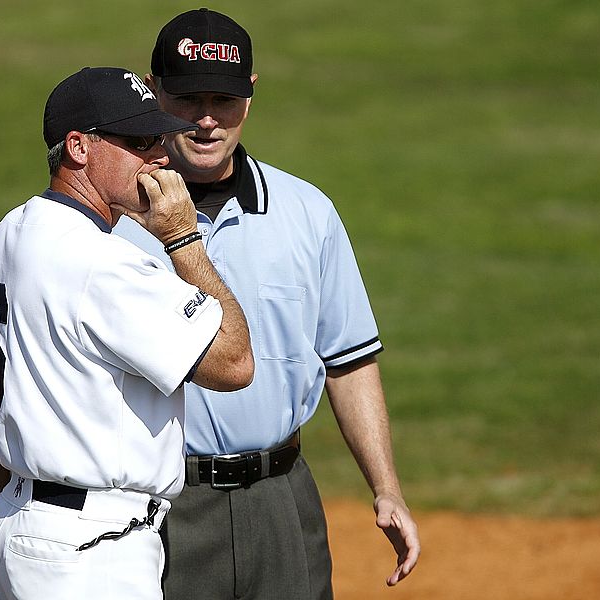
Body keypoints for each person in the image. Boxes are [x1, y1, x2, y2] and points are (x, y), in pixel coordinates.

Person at [113, 9, 420, 598]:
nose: (206, 121)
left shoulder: (307, 212)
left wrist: (387, 487)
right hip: (154, 509)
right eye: (187, 99)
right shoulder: (111, 223)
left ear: (249, 97)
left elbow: (349, 360)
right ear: (152, 92)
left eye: (223, 101)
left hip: (282, 503)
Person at [0, 66, 254, 600]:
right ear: (79, 148)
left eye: (159, 137)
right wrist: (183, 237)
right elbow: (234, 363)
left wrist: (11, 521)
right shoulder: (102, 263)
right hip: (90, 554)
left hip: (14, 537)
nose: (161, 155)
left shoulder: (1, 239)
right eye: (139, 141)